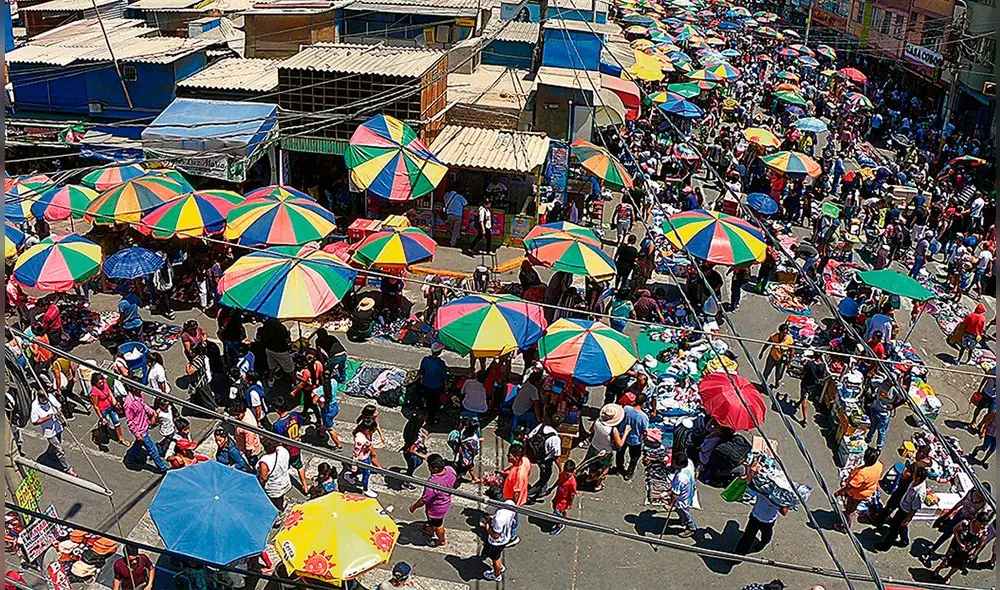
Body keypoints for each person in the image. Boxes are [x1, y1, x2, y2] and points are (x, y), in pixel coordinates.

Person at [875, 466, 928, 550]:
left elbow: (914, 509)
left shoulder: (919, 493)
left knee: (894, 528)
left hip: (905, 511)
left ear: (918, 478)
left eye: (914, 474)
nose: (912, 475)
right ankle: (904, 541)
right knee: (901, 525)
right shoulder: (915, 482)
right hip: (903, 504)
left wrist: (907, 519)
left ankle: (885, 546)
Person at [408, 454, 456, 547]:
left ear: (435, 469)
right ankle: (430, 529)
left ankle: (441, 540)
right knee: (433, 522)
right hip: (445, 502)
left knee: (439, 525)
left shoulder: (433, 483)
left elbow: (424, 499)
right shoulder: (450, 470)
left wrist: (414, 507)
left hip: (436, 509)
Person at [932, 511, 991, 583]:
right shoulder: (965, 523)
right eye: (981, 524)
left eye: (985, 524)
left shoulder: (983, 531)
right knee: (946, 562)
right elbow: (955, 530)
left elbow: (981, 542)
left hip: (966, 552)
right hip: (955, 547)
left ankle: (947, 577)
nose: (983, 526)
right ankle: (936, 571)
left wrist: (974, 553)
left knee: (957, 566)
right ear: (976, 520)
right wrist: (960, 543)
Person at [735, 477, 789, 554]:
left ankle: (763, 543)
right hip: (755, 517)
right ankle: (738, 555)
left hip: (768, 521)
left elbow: (784, 512)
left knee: (766, 536)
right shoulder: (762, 489)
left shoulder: (780, 498)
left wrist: (780, 502)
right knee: (747, 537)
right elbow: (750, 485)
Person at [835, 447, 883, 531]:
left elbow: (851, 486)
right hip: (867, 491)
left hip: (857, 494)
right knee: (851, 508)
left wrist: (840, 492)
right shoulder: (879, 465)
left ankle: (845, 527)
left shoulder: (863, 473)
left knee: (850, 510)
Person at [122, 388, 169, 474]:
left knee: (138, 444)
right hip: (140, 430)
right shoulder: (129, 403)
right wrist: (137, 434)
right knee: (152, 449)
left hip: (144, 425)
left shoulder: (139, 395)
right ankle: (163, 468)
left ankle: (130, 458)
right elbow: (130, 421)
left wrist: (152, 412)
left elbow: (144, 405)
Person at [30, 388, 75, 475]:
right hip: (49, 431)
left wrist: (59, 413)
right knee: (59, 450)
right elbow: (35, 421)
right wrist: (48, 417)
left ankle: (51, 453)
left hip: (57, 426)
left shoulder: (50, 397)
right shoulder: (35, 406)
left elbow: (58, 406)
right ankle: (67, 469)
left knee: (57, 443)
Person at [584, 403, 627, 492]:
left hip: (594, 446)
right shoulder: (612, 430)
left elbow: (591, 430)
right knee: (603, 469)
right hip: (606, 452)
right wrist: (626, 432)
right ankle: (598, 484)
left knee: (592, 464)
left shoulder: (597, 421)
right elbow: (619, 444)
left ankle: (590, 477)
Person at [271, 405, 308, 492]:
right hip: (296, 445)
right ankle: (305, 486)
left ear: (277, 409)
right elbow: (301, 421)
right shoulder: (294, 415)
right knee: (299, 466)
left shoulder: (278, 425)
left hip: (286, 449)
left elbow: (277, 440)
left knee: (284, 467)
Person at [663, 451, 697, 538]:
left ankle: (691, 527)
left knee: (683, 511)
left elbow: (675, 495)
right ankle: (682, 520)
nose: (673, 464)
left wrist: (670, 504)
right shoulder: (689, 462)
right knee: (680, 511)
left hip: (683, 498)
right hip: (690, 489)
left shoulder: (680, 477)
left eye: (674, 463)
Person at [615, 394, 649, 481]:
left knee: (620, 453)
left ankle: (619, 468)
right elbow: (644, 431)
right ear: (643, 403)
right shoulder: (644, 417)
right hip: (635, 440)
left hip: (623, 436)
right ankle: (629, 473)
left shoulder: (626, 409)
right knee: (634, 457)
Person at [482, 500, 516, 582]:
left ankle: (497, 574)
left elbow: (495, 536)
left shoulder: (498, 519)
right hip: (506, 536)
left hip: (497, 543)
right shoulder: (510, 504)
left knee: (495, 558)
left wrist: (486, 526)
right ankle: (500, 567)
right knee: (496, 556)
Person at [526, 422, 561, 502]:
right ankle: (530, 494)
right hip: (546, 461)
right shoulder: (555, 439)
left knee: (543, 475)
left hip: (537, 457)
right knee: (544, 478)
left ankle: (542, 490)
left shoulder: (541, 426)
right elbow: (556, 456)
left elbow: (529, 437)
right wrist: (560, 468)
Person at [348, 417, 381, 498]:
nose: (372, 432)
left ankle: (350, 476)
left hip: (366, 456)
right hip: (362, 459)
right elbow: (356, 453)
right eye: (372, 430)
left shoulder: (367, 433)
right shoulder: (360, 439)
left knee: (361, 471)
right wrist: (354, 464)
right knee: (366, 474)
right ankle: (366, 489)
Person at [89, 373, 126, 445]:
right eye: (99, 383)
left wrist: (114, 401)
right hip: (103, 410)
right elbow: (96, 406)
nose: (102, 384)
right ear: (95, 383)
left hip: (110, 406)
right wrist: (101, 417)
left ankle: (120, 438)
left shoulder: (105, 382)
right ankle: (99, 433)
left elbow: (109, 391)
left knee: (117, 421)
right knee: (106, 423)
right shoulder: (94, 392)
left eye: (102, 381)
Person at [257, 438, 292, 511]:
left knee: (274, 504)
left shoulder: (265, 461)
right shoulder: (283, 450)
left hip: (274, 488)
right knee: (280, 498)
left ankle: (278, 513)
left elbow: (263, 478)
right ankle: (281, 508)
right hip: (284, 481)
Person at [418, 342, 448, 425]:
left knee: (429, 401)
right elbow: (444, 376)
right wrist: (446, 386)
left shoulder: (425, 360)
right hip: (436, 387)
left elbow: (421, 373)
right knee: (434, 403)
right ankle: (431, 419)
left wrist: (422, 383)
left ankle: (428, 414)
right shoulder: (441, 363)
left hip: (426, 385)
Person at [759, 323, 793, 389]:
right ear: (780, 332)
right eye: (783, 333)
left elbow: (792, 350)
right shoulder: (775, 337)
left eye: (786, 333)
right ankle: (763, 385)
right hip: (772, 357)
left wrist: (790, 361)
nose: (784, 334)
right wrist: (762, 352)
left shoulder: (789, 340)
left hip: (781, 361)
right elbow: (767, 343)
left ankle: (777, 382)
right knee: (766, 372)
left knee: (778, 374)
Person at [401, 413, 429, 490]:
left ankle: (408, 476)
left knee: (414, 466)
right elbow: (411, 450)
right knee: (413, 466)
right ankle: (406, 482)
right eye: (423, 421)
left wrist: (423, 435)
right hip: (411, 455)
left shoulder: (412, 428)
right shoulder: (414, 438)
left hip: (409, 452)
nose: (425, 423)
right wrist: (422, 456)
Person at [798, 350, 826, 425]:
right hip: (813, 385)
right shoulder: (822, 366)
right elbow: (822, 376)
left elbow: (804, 371)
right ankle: (798, 402)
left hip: (806, 384)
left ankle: (805, 419)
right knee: (805, 396)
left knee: (804, 400)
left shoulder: (809, 364)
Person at [549, 459, 577, 535]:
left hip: (563, 502)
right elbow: (558, 481)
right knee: (555, 509)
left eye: (568, 474)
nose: (566, 476)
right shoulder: (562, 474)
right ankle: (558, 520)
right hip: (558, 497)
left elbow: (571, 496)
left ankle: (560, 525)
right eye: (565, 473)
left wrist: (568, 506)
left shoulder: (572, 483)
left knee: (557, 512)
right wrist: (552, 488)